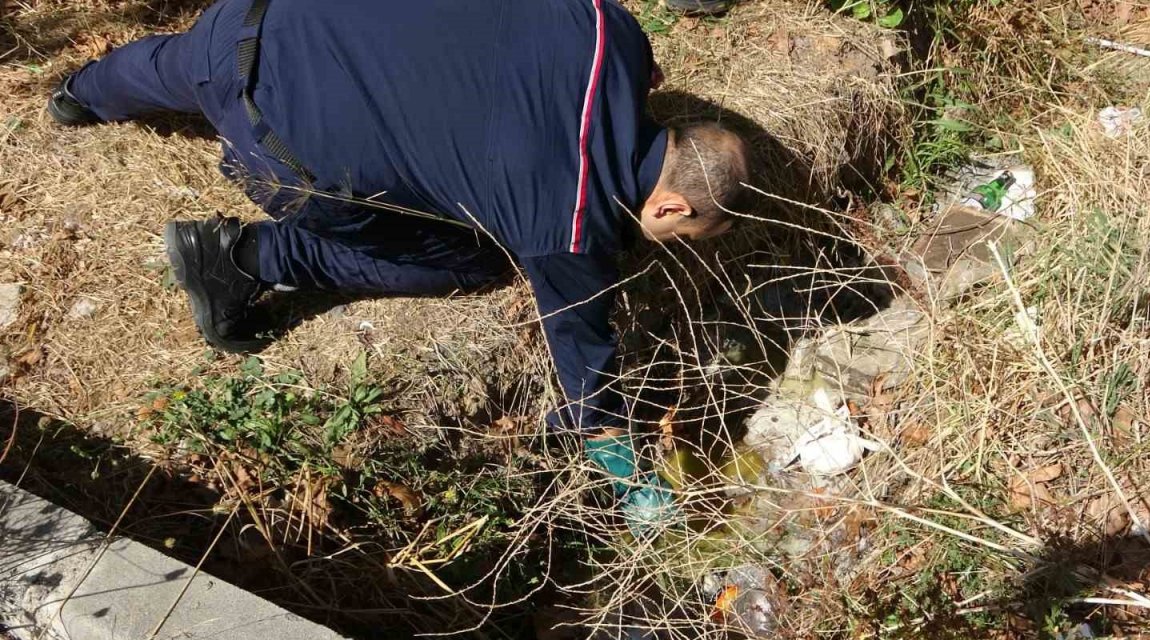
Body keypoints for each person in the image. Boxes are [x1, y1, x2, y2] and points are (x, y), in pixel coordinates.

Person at [47, 0, 752, 531]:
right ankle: (243, 258)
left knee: (189, 59)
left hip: (274, 13)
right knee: (464, 261)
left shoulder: (611, 29)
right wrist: (632, 482)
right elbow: (584, 363)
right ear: (667, 211)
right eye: (687, 238)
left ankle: (79, 93)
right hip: (274, 131)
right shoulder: (566, 224)